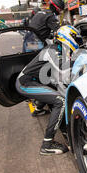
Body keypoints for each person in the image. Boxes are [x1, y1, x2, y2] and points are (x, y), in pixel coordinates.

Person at [15, 25, 80, 155]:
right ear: (68, 37)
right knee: (60, 101)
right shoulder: (53, 50)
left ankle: (38, 109)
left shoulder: (58, 49)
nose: (78, 41)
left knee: (53, 88)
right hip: (25, 84)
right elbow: (64, 72)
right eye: (75, 38)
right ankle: (47, 144)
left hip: (33, 81)